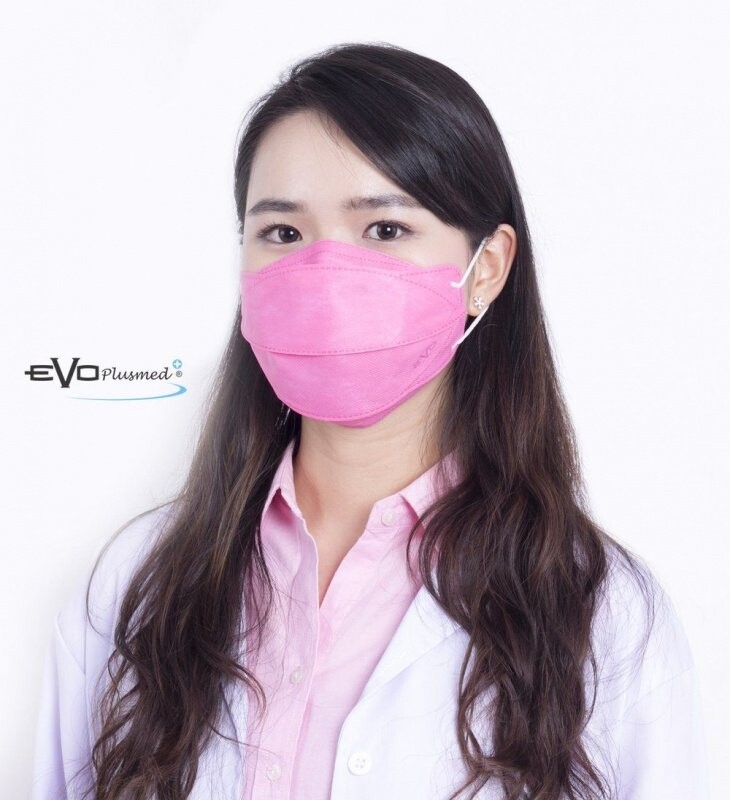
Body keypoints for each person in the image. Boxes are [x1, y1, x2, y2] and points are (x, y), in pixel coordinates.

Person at [31, 41, 710, 800]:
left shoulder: (607, 618)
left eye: (385, 229)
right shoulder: (131, 587)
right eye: (283, 233)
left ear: (485, 268)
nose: (324, 276)